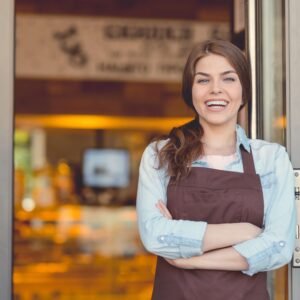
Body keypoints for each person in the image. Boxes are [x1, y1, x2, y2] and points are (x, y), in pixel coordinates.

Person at [136, 39, 296, 300]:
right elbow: (156, 236)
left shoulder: (271, 158)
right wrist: (244, 231)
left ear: (244, 92)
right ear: (191, 92)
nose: (215, 90)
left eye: (228, 79)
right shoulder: (160, 155)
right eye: (203, 80)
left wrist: (188, 259)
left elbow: (278, 247)